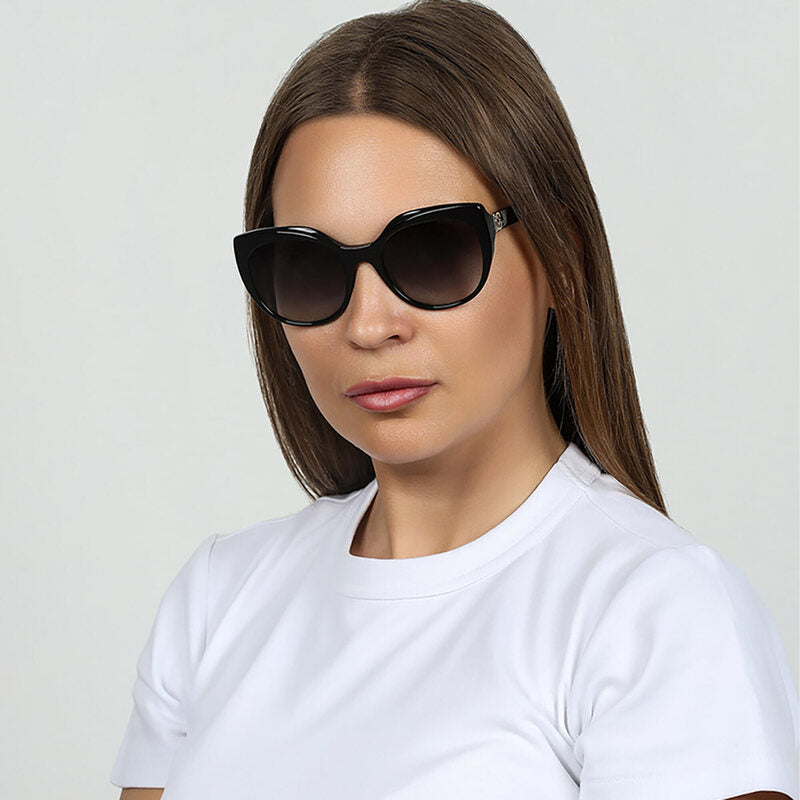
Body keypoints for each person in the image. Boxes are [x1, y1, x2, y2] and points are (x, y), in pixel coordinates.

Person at [110, 1, 799, 798]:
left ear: (562, 260)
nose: (369, 325)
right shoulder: (218, 601)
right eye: (309, 267)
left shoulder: (655, 611)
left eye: (432, 251)